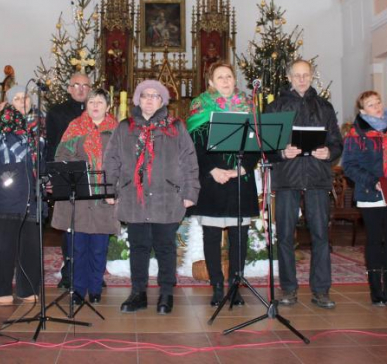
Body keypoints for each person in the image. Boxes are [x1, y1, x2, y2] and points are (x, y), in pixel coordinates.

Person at [104, 80, 200, 315]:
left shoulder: (175, 127)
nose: (149, 99)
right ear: (138, 100)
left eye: (154, 96)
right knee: (138, 247)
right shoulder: (125, 127)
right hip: (133, 197)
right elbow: (112, 160)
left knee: (165, 246)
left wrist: (190, 192)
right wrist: (109, 189)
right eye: (144, 95)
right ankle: (138, 293)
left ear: (162, 101)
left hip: (167, 197)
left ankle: (166, 293)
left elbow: (189, 160)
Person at [268, 59, 343, 309]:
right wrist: (281, 152)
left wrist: (329, 152)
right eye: (297, 75)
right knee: (285, 235)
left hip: (317, 178)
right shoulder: (276, 107)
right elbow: (265, 145)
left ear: (311, 76)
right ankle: (288, 288)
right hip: (287, 178)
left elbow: (336, 142)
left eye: (306, 75)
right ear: (289, 77)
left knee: (321, 235)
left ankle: (321, 290)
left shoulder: (324, 107)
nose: (302, 79)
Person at [186, 62, 259, 306]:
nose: (226, 81)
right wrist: (213, 170)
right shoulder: (199, 107)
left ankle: (235, 287)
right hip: (212, 181)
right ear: (211, 82)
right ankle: (217, 286)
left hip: (241, 181)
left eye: (229, 76)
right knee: (211, 236)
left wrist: (242, 168)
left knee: (240, 237)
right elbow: (194, 146)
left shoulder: (248, 106)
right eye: (220, 77)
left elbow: (257, 144)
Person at [342, 91, 387, 306]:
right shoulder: (356, 133)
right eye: (371, 104)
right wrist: (373, 181)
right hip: (371, 193)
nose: (377, 107)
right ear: (362, 110)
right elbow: (349, 166)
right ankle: (376, 291)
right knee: (375, 240)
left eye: (378, 102)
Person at [51, 89, 119, 304]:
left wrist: (115, 191)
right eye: (91, 102)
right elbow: (61, 155)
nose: (95, 106)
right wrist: (80, 168)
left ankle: (95, 288)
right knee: (78, 247)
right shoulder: (75, 127)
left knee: (99, 248)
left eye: (100, 102)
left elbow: (123, 163)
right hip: (78, 197)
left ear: (108, 106)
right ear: (86, 105)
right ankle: (78, 290)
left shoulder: (117, 130)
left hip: (104, 197)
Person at [0, 85, 43, 305]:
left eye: (25, 97)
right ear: (9, 103)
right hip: (6, 192)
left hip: (32, 192)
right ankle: (1, 288)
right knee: (5, 245)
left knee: (30, 245)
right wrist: (4, 180)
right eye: (16, 98)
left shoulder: (39, 128)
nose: (22, 101)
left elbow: (44, 160)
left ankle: (27, 289)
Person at [46, 72, 91, 288]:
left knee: (92, 224)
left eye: (85, 85)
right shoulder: (56, 112)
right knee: (69, 225)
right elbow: (51, 145)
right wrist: (51, 176)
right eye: (76, 85)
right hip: (66, 173)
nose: (81, 89)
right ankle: (69, 273)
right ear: (69, 88)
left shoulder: (96, 110)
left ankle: (92, 271)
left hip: (91, 174)